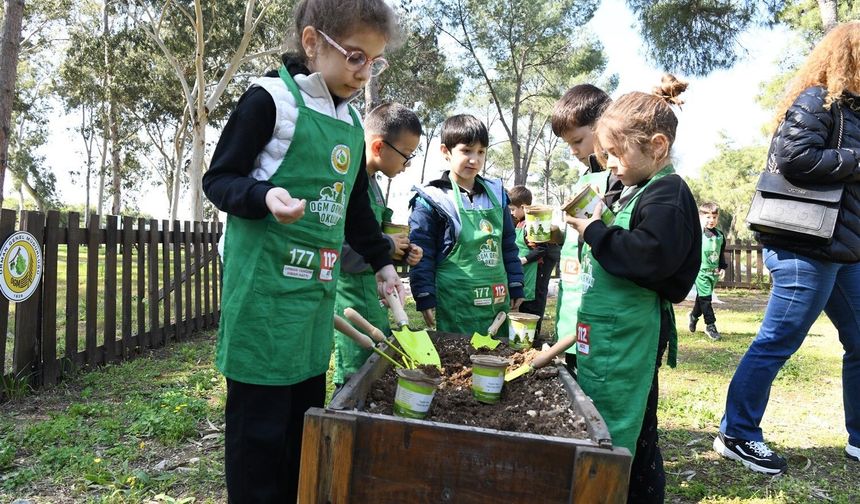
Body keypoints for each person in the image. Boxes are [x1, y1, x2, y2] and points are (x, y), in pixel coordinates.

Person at [201, 1, 404, 500]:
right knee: (259, 438)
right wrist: (263, 196)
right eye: (355, 57)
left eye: (374, 62)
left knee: (301, 430)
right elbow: (219, 178)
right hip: (265, 297)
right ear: (313, 43)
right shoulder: (269, 100)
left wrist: (381, 262)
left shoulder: (352, 124)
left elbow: (356, 207)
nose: (364, 74)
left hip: (313, 299)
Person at [714, 21, 860, 476]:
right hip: (803, 246)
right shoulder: (818, 100)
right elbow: (795, 158)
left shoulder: (856, 111)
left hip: (844, 250)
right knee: (778, 340)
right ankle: (736, 433)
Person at [564, 74, 701, 503]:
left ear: (657, 146)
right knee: (605, 415)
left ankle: (633, 493)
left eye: (617, 154)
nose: (610, 165)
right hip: (607, 333)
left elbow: (648, 255)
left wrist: (596, 233)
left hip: (631, 335)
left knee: (632, 427)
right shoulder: (634, 188)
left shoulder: (668, 193)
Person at [333, 102, 424, 388]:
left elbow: (375, 244)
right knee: (352, 376)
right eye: (405, 155)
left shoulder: (374, 186)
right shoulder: (345, 182)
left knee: (375, 372)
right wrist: (386, 246)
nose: (406, 164)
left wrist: (401, 254)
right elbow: (342, 249)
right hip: (349, 298)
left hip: (374, 298)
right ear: (377, 147)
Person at [408, 114, 524, 336]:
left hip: (496, 300)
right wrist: (424, 294)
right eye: (467, 150)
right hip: (455, 301)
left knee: (496, 358)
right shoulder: (432, 198)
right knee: (458, 361)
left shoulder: (498, 194)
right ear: (446, 151)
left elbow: (507, 245)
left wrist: (516, 282)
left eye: (481, 152)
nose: (475, 159)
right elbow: (422, 250)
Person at [549, 84, 621, 374]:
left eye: (578, 140)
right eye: (568, 144)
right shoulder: (585, 177)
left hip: (601, 305)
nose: (574, 151)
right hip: (572, 301)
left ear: (603, 126)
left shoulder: (620, 179)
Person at [689, 202, 727, 340]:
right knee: (706, 299)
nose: (711, 220)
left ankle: (693, 316)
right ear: (700, 217)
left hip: (713, 273)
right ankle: (710, 325)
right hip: (700, 271)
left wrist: (722, 267)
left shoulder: (720, 236)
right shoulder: (697, 234)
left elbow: (721, 253)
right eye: (708, 217)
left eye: (714, 217)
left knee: (702, 298)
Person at [507, 186, 539, 321]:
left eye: (513, 209)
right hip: (520, 274)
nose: (512, 213)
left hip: (529, 275)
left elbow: (542, 249)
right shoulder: (518, 224)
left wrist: (524, 259)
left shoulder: (531, 225)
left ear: (524, 207)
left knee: (528, 311)